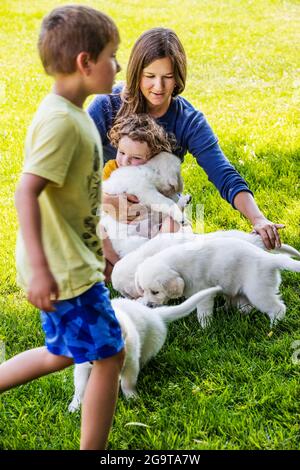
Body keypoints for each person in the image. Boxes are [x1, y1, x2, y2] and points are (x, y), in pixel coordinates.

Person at [0, 5, 125, 450]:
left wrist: (102, 255)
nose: (117, 65)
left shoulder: (73, 114)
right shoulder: (61, 124)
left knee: (64, 353)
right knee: (110, 354)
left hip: (72, 264)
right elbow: (26, 192)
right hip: (62, 272)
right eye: (112, 56)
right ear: (85, 63)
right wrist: (41, 268)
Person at [88, 27, 284, 266]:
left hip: (159, 214)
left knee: (169, 257)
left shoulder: (188, 120)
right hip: (105, 205)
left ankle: (145, 263)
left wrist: (258, 218)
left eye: (167, 76)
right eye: (150, 76)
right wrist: (106, 199)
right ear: (136, 73)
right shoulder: (107, 105)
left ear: (178, 76)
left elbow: (223, 172)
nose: (158, 86)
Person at [101, 113, 185, 269]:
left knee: (174, 225)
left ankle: (157, 258)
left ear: (153, 157)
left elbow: (166, 200)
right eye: (122, 152)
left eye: (136, 157)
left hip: (150, 228)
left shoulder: (155, 174)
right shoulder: (111, 168)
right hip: (120, 232)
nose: (125, 162)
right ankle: (118, 266)